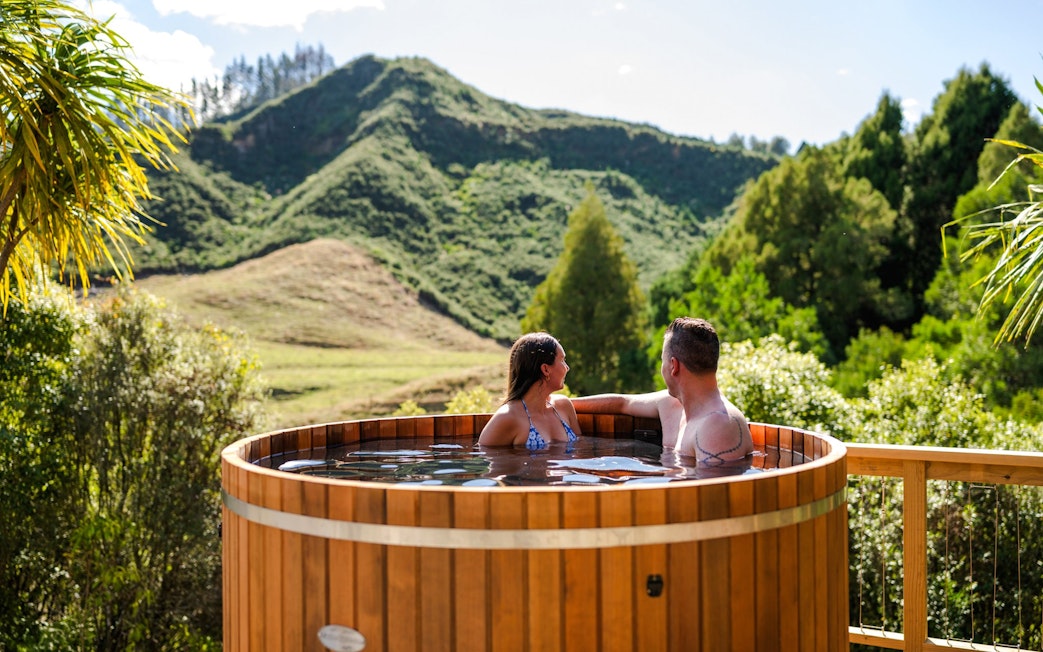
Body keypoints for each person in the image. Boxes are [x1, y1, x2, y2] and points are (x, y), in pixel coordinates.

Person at [570, 317, 752, 465]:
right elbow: (622, 403)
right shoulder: (672, 403)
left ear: (673, 366)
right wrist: (557, 403)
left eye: (662, 361)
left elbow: (712, 501)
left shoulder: (717, 425)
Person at [478, 332, 581, 450]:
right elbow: (487, 457)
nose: (567, 367)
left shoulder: (564, 406)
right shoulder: (507, 418)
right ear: (546, 369)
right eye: (562, 360)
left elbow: (580, 450)